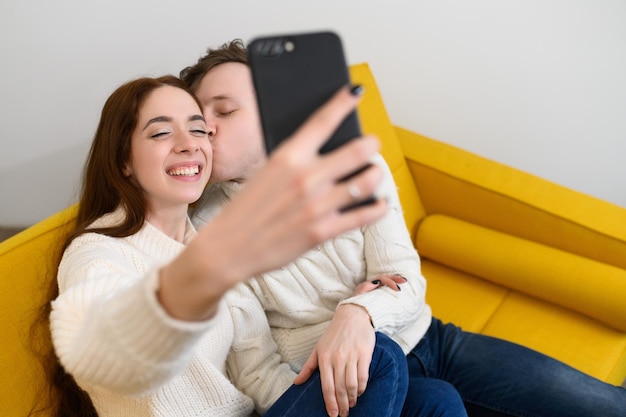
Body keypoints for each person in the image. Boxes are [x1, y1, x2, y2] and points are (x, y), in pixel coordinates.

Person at [180, 39, 626, 417]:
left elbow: (406, 281)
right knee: (441, 403)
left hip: (430, 338)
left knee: (603, 404)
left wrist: (357, 312)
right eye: (198, 121)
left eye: (225, 111)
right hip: (347, 385)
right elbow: (255, 367)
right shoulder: (201, 232)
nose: (207, 130)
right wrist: (330, 395)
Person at [47, 74, 413, 417]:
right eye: (160, 133)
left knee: (431, 398)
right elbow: (108, 355)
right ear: (124, 160)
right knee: (383, 357)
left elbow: (258, 371)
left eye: (197, 129)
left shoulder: (203, 240)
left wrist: (332, 378)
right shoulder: (97, 252)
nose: (189, 143)